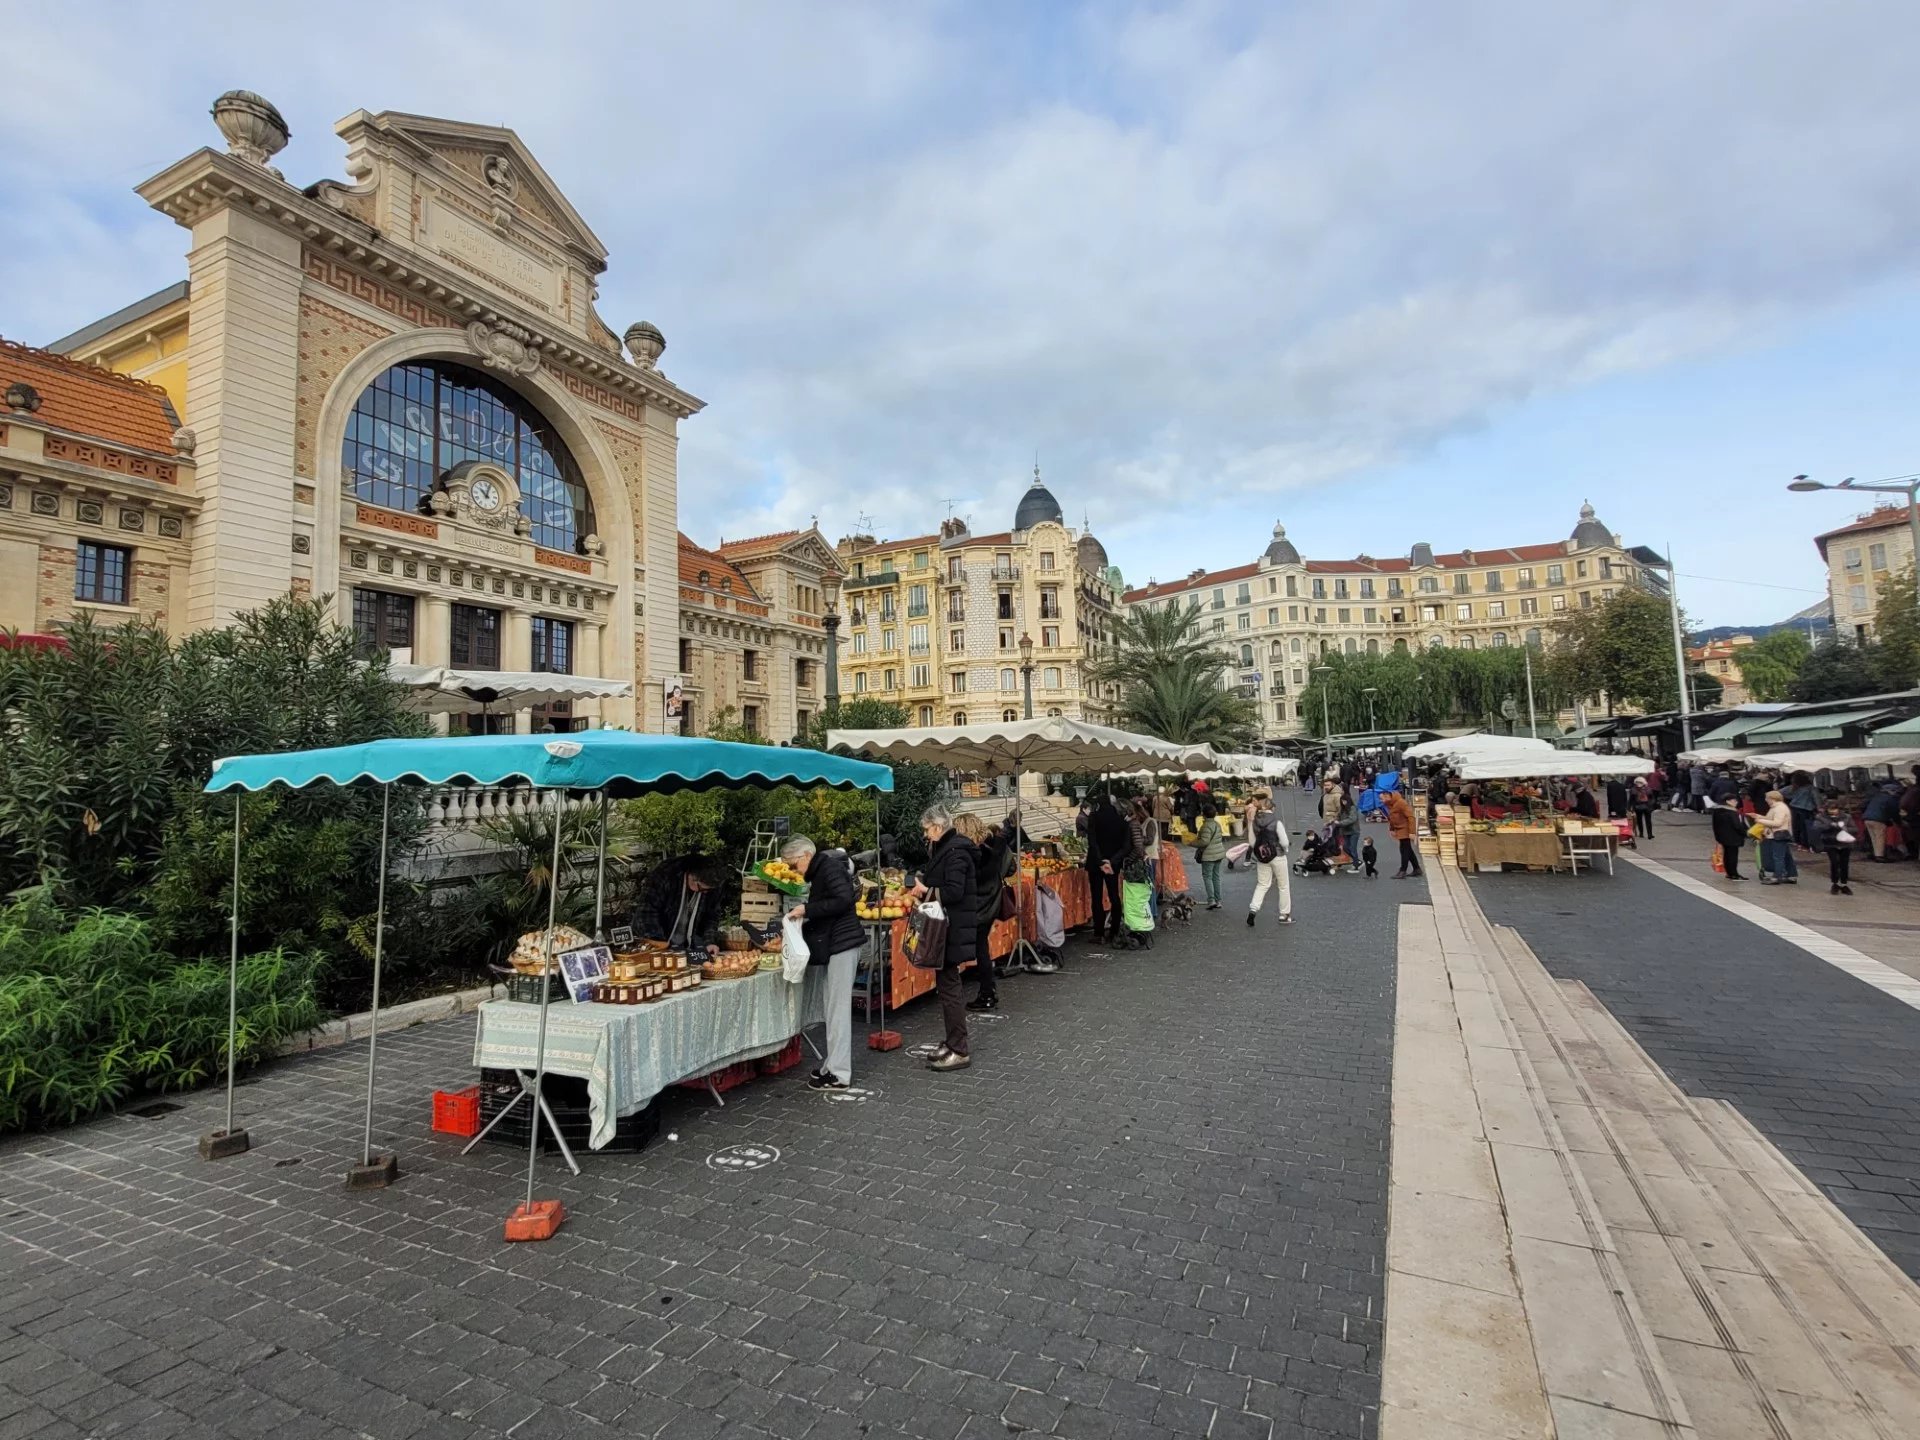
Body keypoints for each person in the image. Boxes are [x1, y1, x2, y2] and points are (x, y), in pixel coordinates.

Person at [781, 836, 864, 1091]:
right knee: (832, 1008)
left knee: (837, 1011)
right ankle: (831, 1066)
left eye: (794, 865)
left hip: (842, 945)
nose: (794, 871)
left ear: (806, 856)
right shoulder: (823, 869)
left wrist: (807, 910)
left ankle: (839, 1074)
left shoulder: (828, 868)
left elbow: (843, 900)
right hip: (838, 945)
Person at [905, 804, 978, 1071]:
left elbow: (954, 891)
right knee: (947, 987)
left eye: (927, 829)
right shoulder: (947, 848)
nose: (926, 835)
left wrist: (926, 889)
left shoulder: (955, 851)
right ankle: (952, 1042)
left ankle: (959, 1048)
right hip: (947, 928)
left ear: (937, 826)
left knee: (950, 989)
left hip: (952, 929)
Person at [631, 854, 726, 955]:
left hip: (684, 945)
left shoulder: (714, 884)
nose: (705, 893)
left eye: (709, 889)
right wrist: (660, 945)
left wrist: (709, 942)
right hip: (653, 941)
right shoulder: (665, 874)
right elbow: (647, 912)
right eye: (702, 888)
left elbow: (711, 915)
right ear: (691, 876)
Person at [1083, 790, 1131, 945]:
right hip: (1113, 864)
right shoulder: (1122, 821)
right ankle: (1114, 930)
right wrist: (1111, 861)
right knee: (1114, 896)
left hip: (1096, 864)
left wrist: (1100, 861)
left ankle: (1099, 933)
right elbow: (1125, 847)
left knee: (1096, 898)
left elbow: (1093, 841)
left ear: (1098, 805)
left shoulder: (1094, 818)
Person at [1245, 789, 1292, 925]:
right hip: (1277, 855)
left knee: (1262, 884)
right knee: (1283, 886)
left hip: (1262, 857)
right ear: (1272, 808)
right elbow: (1284, 841)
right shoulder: (1276, 822)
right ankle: (1284, 915)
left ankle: (1253, 909)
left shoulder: (1254, 822)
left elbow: (1252, 843)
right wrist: (1286, 849)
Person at [1808, 803, 1855, 897]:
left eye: (1835, 809)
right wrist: (1830, 825)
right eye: (1830, 809)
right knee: (1834, 862)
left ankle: (1844, 884)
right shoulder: (1821, 817)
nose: (1833, 811)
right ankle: (1835, 883)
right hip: (1831, 843)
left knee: (1844, 864)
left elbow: (1854, 828)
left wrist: (1845, 828)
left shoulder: (1846, 817)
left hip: (1845, 843)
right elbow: (1816, 827)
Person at [1131, 796, 1163, 921]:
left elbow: (1150, 840)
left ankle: (1152, 911)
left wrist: (1136, 839)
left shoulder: (1150, 822)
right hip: (1144, 857)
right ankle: (1149, 910)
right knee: (1147, 885)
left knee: (1149, 885)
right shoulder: (1141, 823)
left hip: (1150, 857)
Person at [1759, 789, 1798, 885]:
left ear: (1772, 798)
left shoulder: (1779, 808)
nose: (1765, 800)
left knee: (1778, 857)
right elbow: (1770, 819)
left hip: (1778, 834)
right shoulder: (1777, 807)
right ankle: (1791, 875)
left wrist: (1760, 821)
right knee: (1786, 856)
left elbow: (1777, 823)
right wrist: (1758, 816)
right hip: (1781, 834)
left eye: (1767, 798)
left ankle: (1777, 877)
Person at [1195, 798, 1227, 909]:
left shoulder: (1205, 826)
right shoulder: (1217, 824)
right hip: (1219, 853)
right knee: (1216, 877)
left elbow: (1204, 842)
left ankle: (1211, 900)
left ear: (1203, 814)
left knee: (1207, 877)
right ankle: (1219, 900)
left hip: (1208, 855)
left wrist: (1192, 842)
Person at [1710, 796, 1749, 882]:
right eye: (1733, 800)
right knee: (1733, 856)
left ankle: (1729, 873)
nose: (1736, 802)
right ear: (1727, 801)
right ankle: (1734, 874)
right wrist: (1745, 833)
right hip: (1733, 837)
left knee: (1727, 854)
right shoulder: (1732, 812)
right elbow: (1737, 826)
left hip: (1722, 837)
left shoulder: (1717, 811)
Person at [1384, 788, 1420, 878]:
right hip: (1400, 828)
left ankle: (1402, 870)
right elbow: (1392, 817)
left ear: (1389, 796)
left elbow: (1411, 817)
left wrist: (1412, 832)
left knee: (1404, 850)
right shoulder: (1390, 804)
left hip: (1405, 828)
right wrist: (1392, 828)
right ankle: (1417, 869)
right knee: (1408, 850)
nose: (1382, 800)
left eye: (1383, 798)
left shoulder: (1401, 803)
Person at [1863, 781, 1901, 862]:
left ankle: (1876, 853)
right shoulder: (1890, 798)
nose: (1896, 793)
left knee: (1874, 838)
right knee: (1880, 837)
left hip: (1867, 818)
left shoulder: (1877, 796)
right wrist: (1898, 821)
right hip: (1878, 819)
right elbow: (1894, 811)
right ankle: (1880, 856)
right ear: (1891, 790)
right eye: (1895, 791)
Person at [1786, 772, 1820, 851]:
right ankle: (1805, 844)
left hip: (1794, 807)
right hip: (1806, 809)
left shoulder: (1793, 787)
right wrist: (1819, 807)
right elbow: (1817, 798)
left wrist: (1789, 798)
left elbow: (1780, 792)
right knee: (1805, 827)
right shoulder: (1811, 788)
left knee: (1795, 825)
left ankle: (1797, 842)